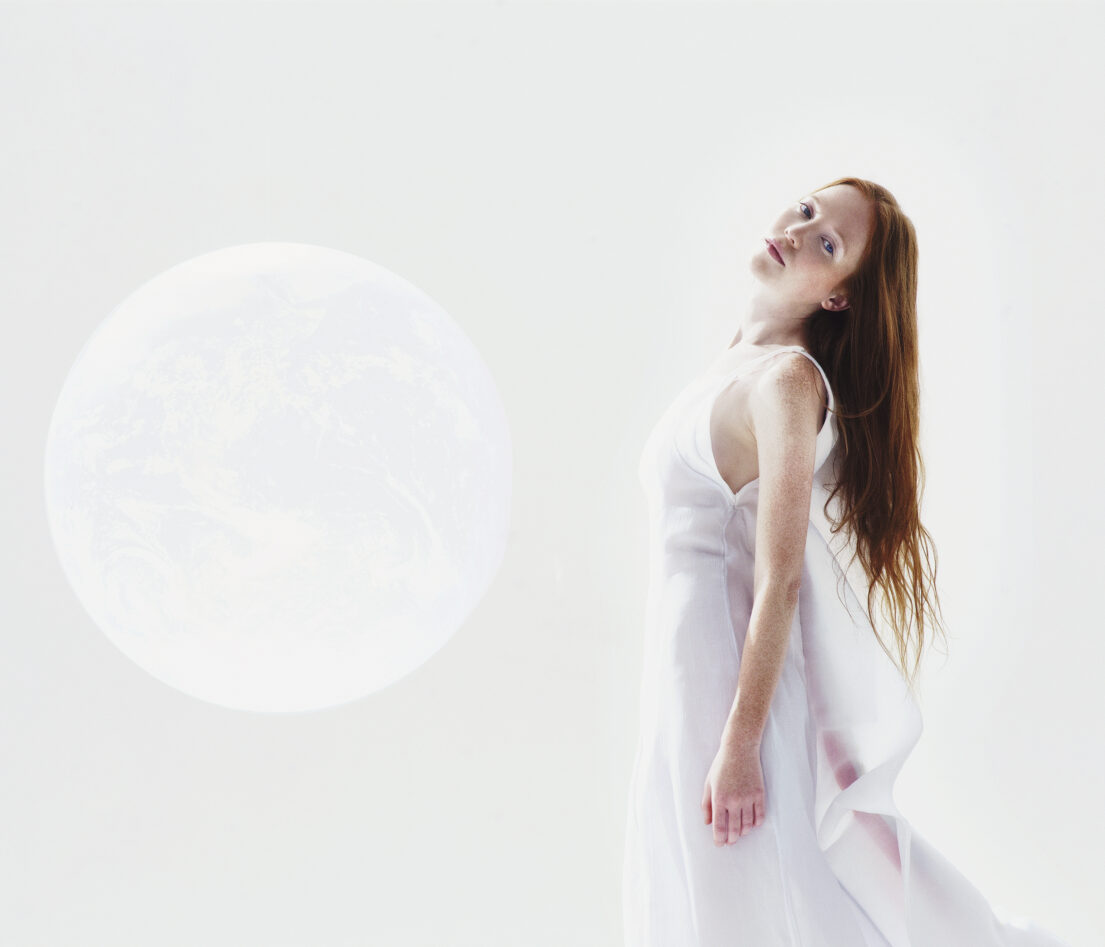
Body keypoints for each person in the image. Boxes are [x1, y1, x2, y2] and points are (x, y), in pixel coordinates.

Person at [622, 178, 1072, 946]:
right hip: (685, 674)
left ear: (837, 297)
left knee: (751, 901)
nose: (795, 233)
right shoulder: (733, 364)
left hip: (733, 692)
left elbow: (781, 578)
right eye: (804, 212)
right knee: (700, 895)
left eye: (827, 244)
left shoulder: (786, 381)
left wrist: (738, 745)